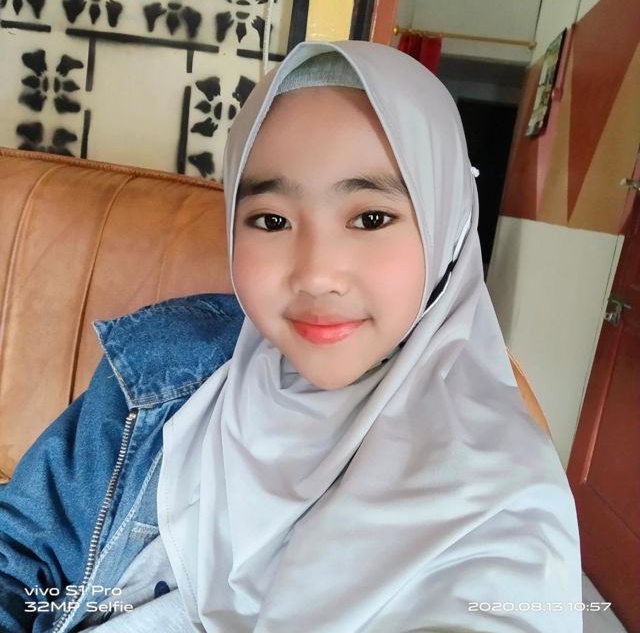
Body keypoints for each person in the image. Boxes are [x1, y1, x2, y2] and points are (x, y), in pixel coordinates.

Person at [0, 41, 582, 632]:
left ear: (447, 223)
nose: (316, 275)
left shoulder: (499, 493)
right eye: (272, 220)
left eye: (370, 218)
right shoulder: (162, 367)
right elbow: (19, 561)